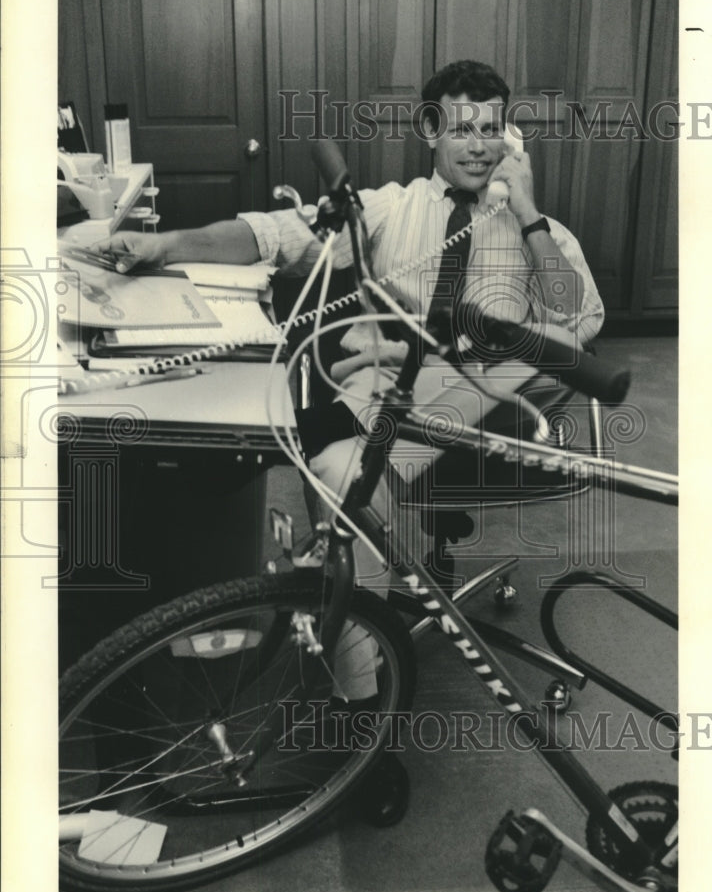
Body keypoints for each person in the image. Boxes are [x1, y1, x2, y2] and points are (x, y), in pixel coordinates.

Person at [98, 57, 603, 616]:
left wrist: (528, 212)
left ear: (510, 141)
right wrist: (166, 245)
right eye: (462, 129)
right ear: (431, 131)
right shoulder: (393, 207)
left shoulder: (541, 235)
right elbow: (274, 236)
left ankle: (303, 447)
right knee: (340, 469)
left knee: (499, 355)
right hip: (385, 390)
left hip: (486, 415)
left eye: (491, 131)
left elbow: (576, 319)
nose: (479, 147)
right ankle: (363, 662)